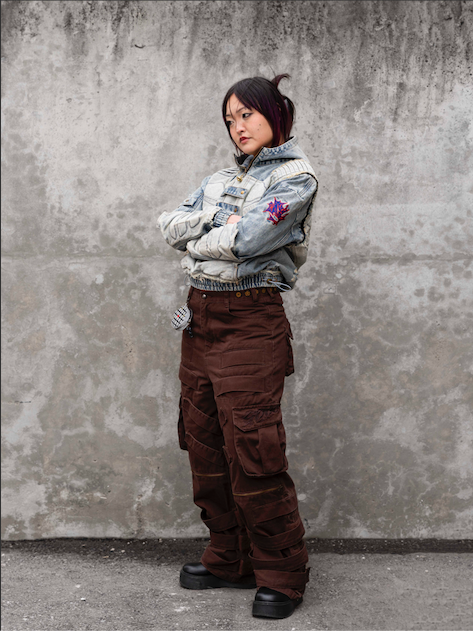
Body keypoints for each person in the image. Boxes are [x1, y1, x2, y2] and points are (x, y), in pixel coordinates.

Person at [158, 74, 318, 620]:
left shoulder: (296, 180)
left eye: (246, 114)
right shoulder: (218, 179)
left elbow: (250, 240)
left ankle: (283, 573)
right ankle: (230, 558)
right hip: (198, 320)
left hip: (250, 322)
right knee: (204, 444)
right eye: (230, 119)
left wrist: (200, 239)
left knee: (254, 450)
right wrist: (214, 221)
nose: (238, 126)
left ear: (275, 113)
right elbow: (168, 227)